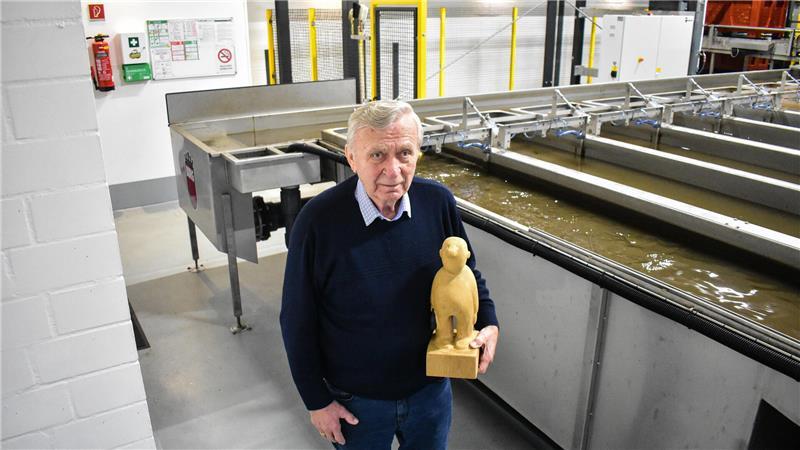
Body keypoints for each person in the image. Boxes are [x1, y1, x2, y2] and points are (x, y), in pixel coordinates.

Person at [280, 100, 499, 450]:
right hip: (356, 402)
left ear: (418, 154)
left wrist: (489, 322)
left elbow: (468, 273)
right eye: (377, 155)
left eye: (405, 153)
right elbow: (296, 318)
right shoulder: (318, 221)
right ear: (351, 158)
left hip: (429, 391)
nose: (393, 170)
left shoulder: (438, 203)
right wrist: (316, 401)